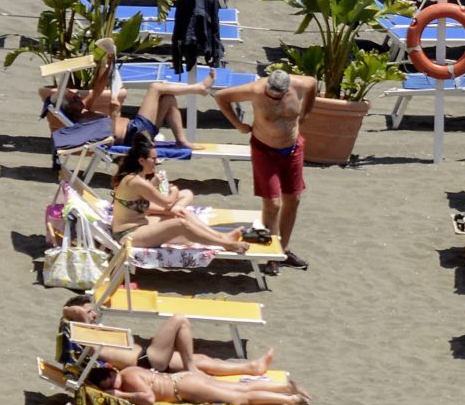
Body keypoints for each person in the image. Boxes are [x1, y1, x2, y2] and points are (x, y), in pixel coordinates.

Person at [213, 69, 317, 272]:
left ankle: (283, 250)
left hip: (293, 148)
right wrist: (238, 125)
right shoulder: (255, 89)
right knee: (272, 203)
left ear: (287, 90)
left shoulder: (300, 84)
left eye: (278, 97)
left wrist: (305, 113)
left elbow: (313, 83)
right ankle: (271, 256)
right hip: (265, 149)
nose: (273, 100)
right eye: (270, 95)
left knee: (293, 199)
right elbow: (221, 97)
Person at [43, 41, 208, 150]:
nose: (79, 96)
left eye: (77, 95)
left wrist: (108, 64)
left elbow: (98, 88)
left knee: (168, 99)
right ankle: (197, 88)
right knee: (155, 88)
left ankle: (181, 140)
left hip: (138, 130)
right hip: (133, 134)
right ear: (70, 108)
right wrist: (114, 115)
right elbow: (109, 138)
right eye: (75, 98)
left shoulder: (84, 110)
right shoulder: (80, 122)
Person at [60, 295, 273, 377]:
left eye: (93, 310)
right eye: (89, 311)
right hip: (147, 360)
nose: (93, 314)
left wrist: (87, 312)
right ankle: (191, 371)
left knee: (202, 360)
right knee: (179, 320)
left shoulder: (90, 332)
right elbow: (69, 312)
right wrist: (81, 312)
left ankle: (250, 368)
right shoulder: (81, 334)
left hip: (148, 358)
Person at [110, 135, 249, 252]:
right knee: (180, 224)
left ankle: (222, 236)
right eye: (153, 159)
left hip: (139, 225)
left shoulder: (134, 179)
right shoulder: (136, 182)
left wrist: (155, 185)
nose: (156, 162)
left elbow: (141, 200)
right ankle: (226, 245)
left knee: (185, 214)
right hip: (128, 234)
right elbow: (168, 203)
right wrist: (174, 191)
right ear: (141, 161)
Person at [86, 362, 311, 405]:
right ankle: (284, 388)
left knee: (239, 399)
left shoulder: (127, 379)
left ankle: (290, 399)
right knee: (239, 390)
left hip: (182, 388)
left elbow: (148, 399)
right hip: (183, 381)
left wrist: (118, 394)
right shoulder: (126, 372)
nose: (115, 383)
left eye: (111, 380)